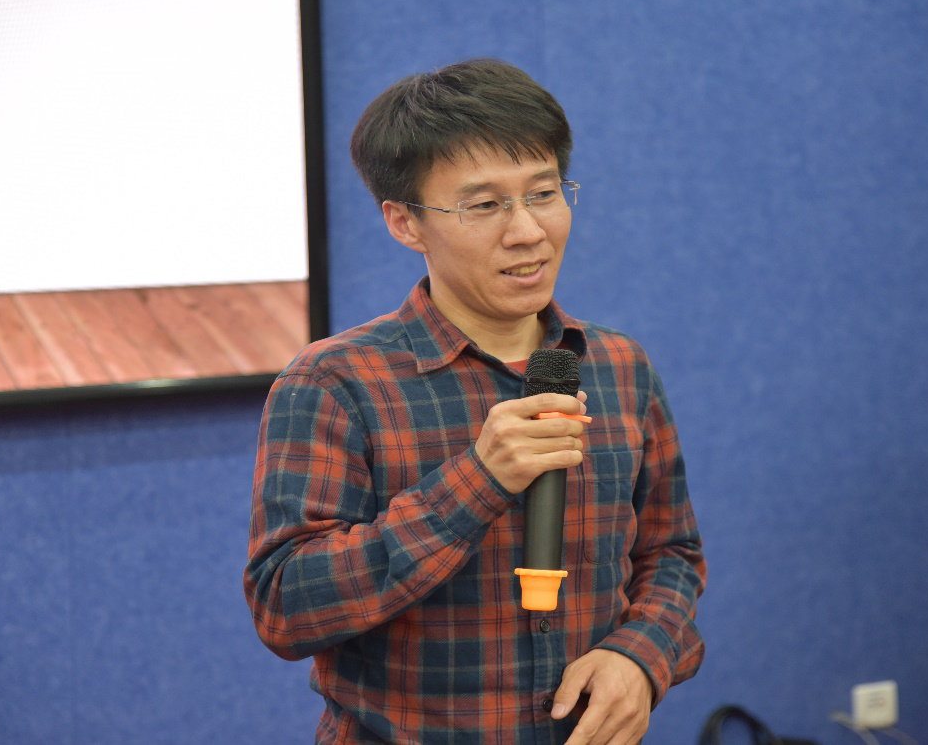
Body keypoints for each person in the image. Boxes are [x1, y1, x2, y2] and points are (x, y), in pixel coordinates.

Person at [245, 58, 705, 745]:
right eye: (484, 205)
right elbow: (287, 607)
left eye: (543, 193)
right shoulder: (334, 382)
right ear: (405, 222)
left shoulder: (619, 367)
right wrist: (478, 479)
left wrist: (640, 657)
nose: (527, 231)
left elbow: (670, 553)